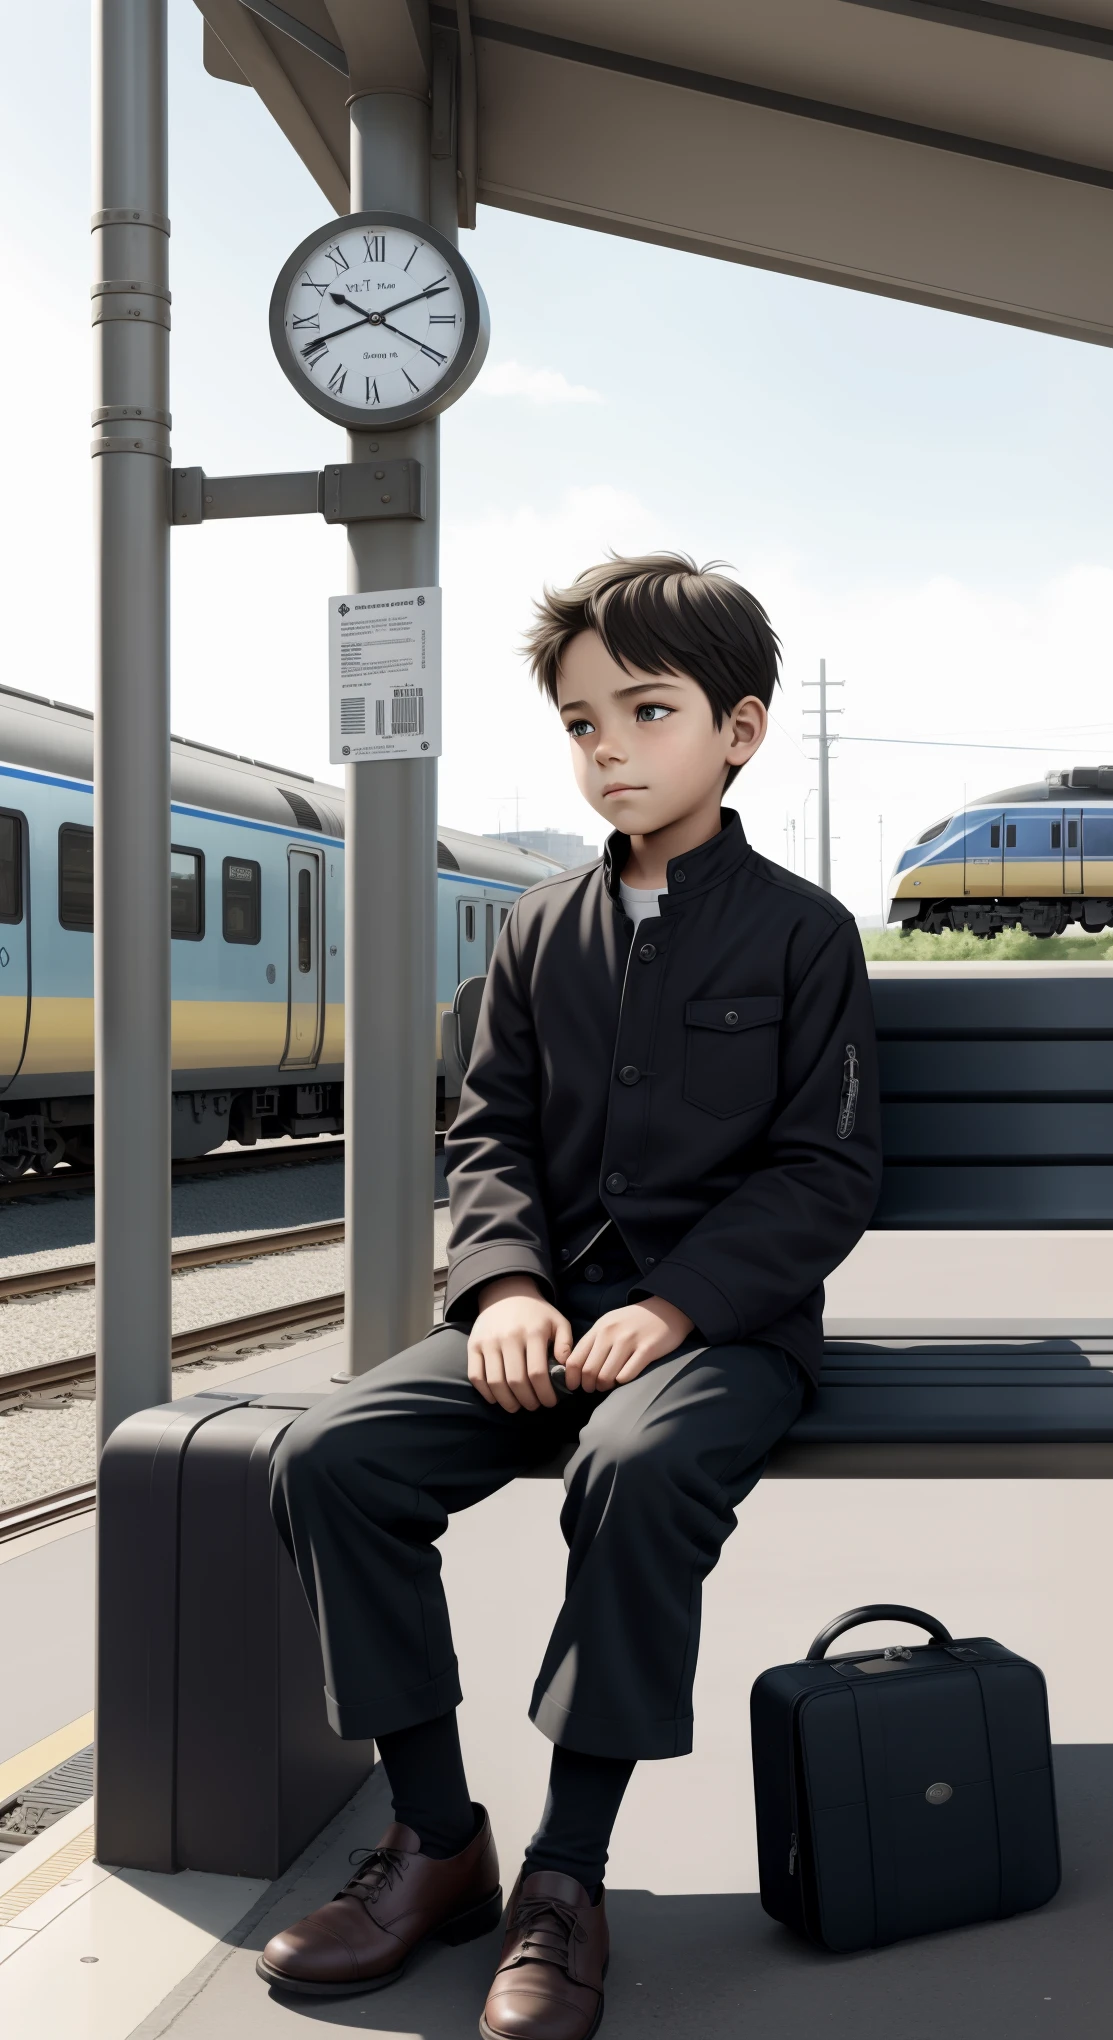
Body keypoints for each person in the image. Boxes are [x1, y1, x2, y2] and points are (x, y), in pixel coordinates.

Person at [258, 554, 882, 2040]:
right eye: (582, 722)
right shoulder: (536, 932)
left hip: (723, 1333)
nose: (609, 746)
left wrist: (672, 1309)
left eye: (646, 711)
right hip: (544, 1318)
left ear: (737, 730)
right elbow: (491, 1136)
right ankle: (436, 1841)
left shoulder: (804, 935)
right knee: (332, 1456)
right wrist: (507, 1288)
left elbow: (823, 1175)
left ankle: (566, 1876)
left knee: (639, 1466)